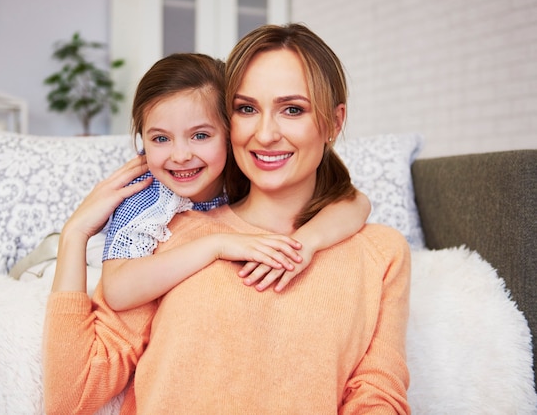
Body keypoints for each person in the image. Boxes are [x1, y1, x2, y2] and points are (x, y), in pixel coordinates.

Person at [44, 23, 410, 414]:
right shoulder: (168, 235)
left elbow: (376, 396)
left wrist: (307, 243)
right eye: (247, 109)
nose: (266, 133)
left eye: (292, 109)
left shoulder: (380, 252)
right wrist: (74, 235)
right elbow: (73, 395)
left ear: (334, 123)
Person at [99, 52, 371, 311]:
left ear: (229, 133)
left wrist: (306, 242)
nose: (180, 156)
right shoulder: (147, 196)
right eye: (160, 139)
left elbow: (356, 202)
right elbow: (117, 291)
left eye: (201, 136)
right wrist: (217, 245)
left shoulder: (243, 167)